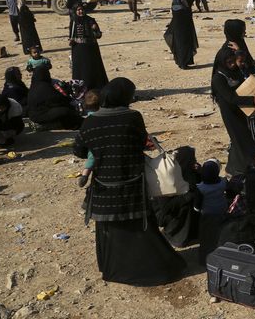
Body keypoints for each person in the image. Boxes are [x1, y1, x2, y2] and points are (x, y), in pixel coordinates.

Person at [74, 77, 184, 285]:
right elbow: (139, 142)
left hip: (105, 189)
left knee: (112, 231)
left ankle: (114, 270)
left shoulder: (90, 121)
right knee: (140, 230)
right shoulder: (132, 117)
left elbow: (79, 149)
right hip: (132, 184)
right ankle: (154, 268)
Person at [211, 47, 255, 176]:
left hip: (242, 110)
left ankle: (233, 169)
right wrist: (252, 101)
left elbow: (246, 87)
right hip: (230, 113)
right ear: (221, 62)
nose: (232, 65)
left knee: (240, 140)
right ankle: (247, 170)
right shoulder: (218, 78)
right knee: (241, 140)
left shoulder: (235, 71)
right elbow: (230, 98)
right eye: (229, 63)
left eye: (233, 61)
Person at [68, 3, 108, 92]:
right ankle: (80, 89)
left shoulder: (90, 20)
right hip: (78, 49)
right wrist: (71, 40)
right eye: (78, 10)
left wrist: (94, 29)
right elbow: (71, 36)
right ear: (75, 11)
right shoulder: (73, 21)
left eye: (81, 9)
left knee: (92, 68)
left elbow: (98, 35)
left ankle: (94, 88)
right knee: (80, 69)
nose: (80, 11)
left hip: (90, 49)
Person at [197, 159, 228, 264]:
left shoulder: (200, 188)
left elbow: (197, 205)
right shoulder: (223, 182)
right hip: (222, 212)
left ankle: (205, 260)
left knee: (206, 238)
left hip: (207, 215)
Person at [166, 0, 198, 69]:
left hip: (177, 27)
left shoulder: (174, 1)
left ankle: (180, 62)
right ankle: (184, 62)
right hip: (184, 28)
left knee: (178, 44)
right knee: (184, 43)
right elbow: (187, 6)